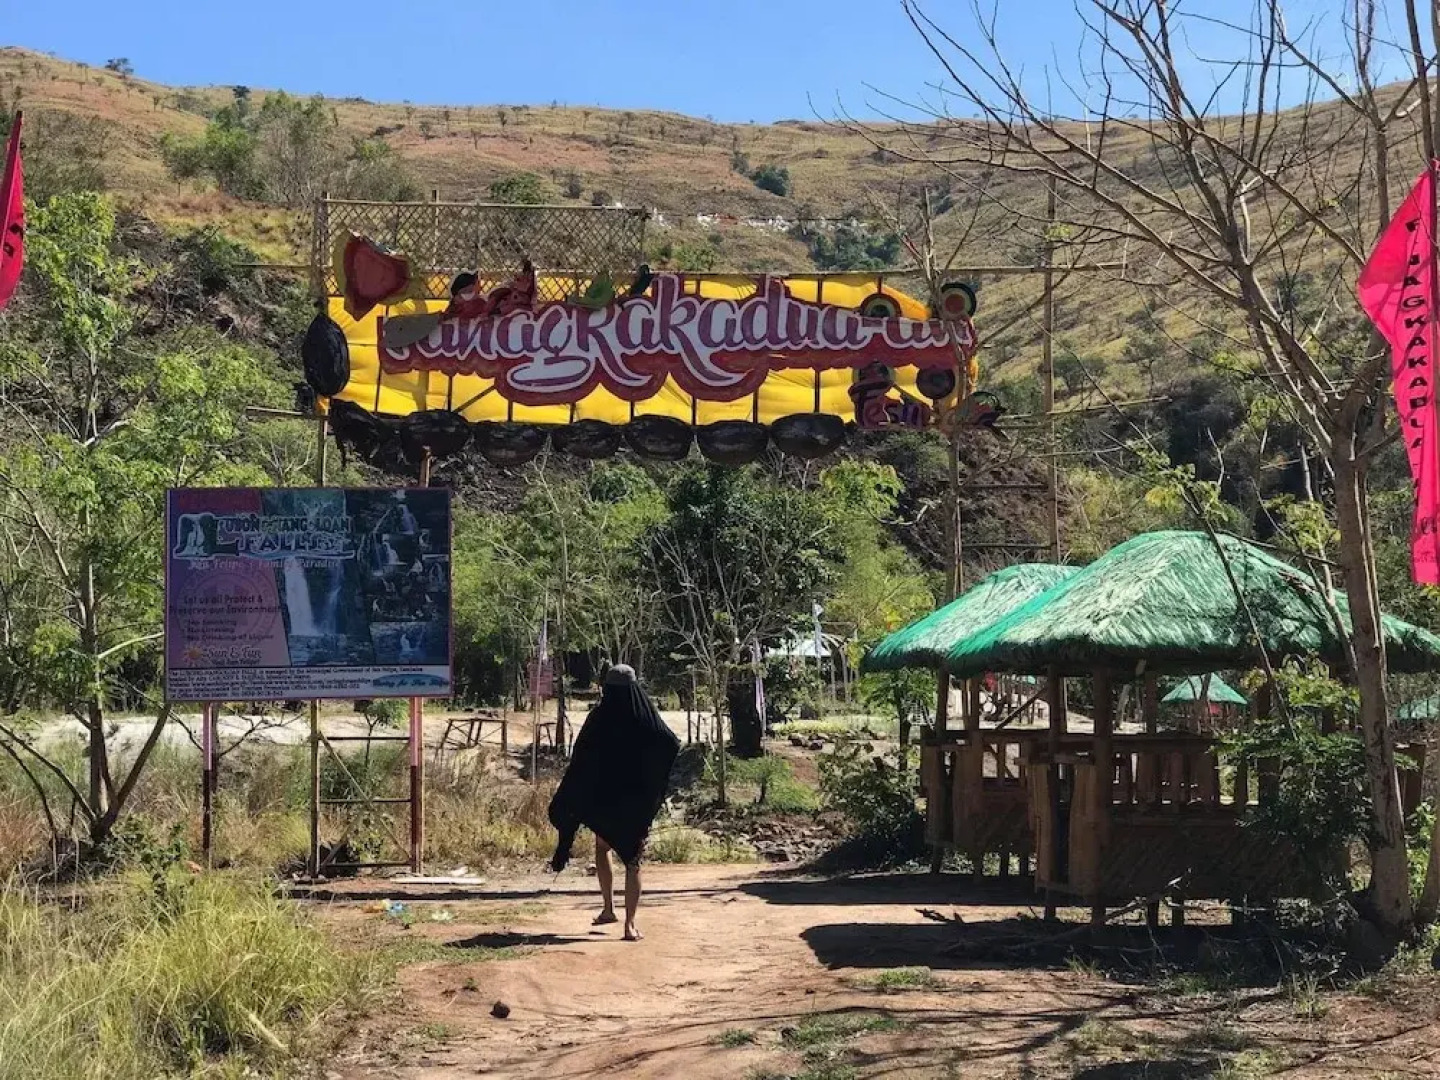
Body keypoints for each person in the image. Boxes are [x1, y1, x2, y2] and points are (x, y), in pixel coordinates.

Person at [548, 664, 679, 941]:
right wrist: (650, 780)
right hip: (634, 803)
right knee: (633, 861)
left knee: (603, 847)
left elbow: (581, 757)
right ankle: (629, 925)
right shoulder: (645, 717)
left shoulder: (599, 717)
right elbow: (669, 742)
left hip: (604, 801)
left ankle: (609, 908)